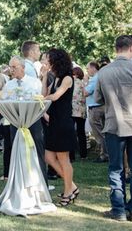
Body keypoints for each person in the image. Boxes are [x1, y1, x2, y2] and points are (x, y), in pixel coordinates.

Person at [95, 35, 132, 222]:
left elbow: (97, 99)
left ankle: (118, 209)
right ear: (130, 48)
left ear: (116, 49)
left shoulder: (103, 72)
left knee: (115, 168)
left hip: (113, 123)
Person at [41, 48, 78, 207]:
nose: (46, 62)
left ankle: (68, 192)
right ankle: (73, 186)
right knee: (48, 157)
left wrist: (42, 99)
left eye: (48, 59)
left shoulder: (67, 78)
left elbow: (55, 97)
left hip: (63, 123)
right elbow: (44, 95)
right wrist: (43, 77)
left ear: (56, 60)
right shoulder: (55, 78)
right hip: (54, 122)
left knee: (63, 159)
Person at [4, 56, 48, 185]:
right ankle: (19, 184)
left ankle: (42, 184)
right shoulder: (9, 85)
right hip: (15, 123)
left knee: (38, 152)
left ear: (23, 68)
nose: (11, 70)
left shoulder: (34, 82)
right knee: (17, 152)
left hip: (33, 122)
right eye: (10, 67)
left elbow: (41, 100)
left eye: (14, 67)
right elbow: (4, 102)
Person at [85, 61, 108, 162]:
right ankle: (105, 153)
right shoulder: (101, 77)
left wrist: (85, 82)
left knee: (99, 133)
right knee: (103, 131)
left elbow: (86, 92)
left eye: (88, 68)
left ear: (94, 68)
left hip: (95, 108)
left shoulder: (94, 79)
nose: (87, 71)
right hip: (102, 106)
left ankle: (104, 155)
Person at [70, 66, 87, 161]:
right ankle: (83, 154)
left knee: (72, 133)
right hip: (82, 111)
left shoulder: (72, 83)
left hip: (72, 110)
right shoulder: (83, 83)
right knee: (81, 133)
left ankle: (71, 156)